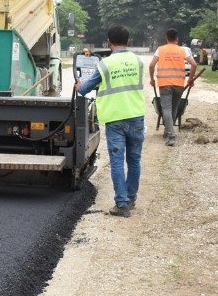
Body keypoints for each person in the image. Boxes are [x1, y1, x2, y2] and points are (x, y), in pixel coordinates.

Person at [75, 25, 146, 217]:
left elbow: (84, 89)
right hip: (136, 115)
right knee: (134, 161)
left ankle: (121, 204)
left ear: (109, 42)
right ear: (128, 41)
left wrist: (79, 84)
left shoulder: (105, 64)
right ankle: (131, 199)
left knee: (116, 160)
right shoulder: (138, 62)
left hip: (115, 119)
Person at [149, 28, 198, 147]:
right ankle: (168, 131)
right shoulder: (182, 51)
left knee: (166, 109)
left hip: (165, 83)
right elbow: (194, 64)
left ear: (166, 37)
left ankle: (171, 136)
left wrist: (152, 79)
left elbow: (151, 65)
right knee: (174, 109)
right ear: (177, 38)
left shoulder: (161, 50)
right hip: (178, 84)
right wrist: (190, 79)